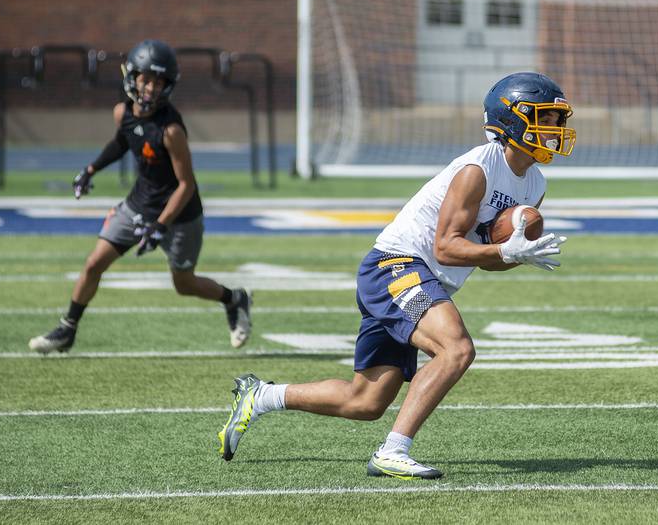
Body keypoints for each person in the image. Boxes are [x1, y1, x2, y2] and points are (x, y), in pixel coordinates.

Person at [216, 72, 575, 479]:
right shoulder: (478, 169)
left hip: (423, 278)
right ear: (514, 120)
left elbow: (485, 259)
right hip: (396, 265)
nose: (556, 129)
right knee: (456, 349)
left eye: (558, 119)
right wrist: (503, 249)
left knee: (365, 401)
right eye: (547, 118)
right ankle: (393, 450)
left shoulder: (535, 184)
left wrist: (516, 256)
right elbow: (445, 246)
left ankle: (261, 395)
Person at [29, 39, 251, 354]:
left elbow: (185, 184)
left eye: (158, 82)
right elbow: (122, 142)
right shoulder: (123, 111)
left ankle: (235, 299)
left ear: (168, 85)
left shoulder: (171, 130)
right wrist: (91, 170)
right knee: (94, 263)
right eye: (145, 79)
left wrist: (160, 225)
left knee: (183, 284)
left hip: (180, 214)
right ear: (131, 77)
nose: (150, 88)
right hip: (139, 204)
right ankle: (67, 329)